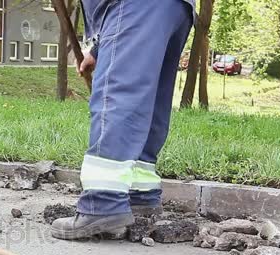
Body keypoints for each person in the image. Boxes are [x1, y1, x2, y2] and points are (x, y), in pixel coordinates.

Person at [51, 0, 195, 240]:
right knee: (149, 99)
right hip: (174, 8)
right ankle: (139, 196)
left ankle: (103, 202)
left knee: (117, 97)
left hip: (132, 5)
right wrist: (98, 48)